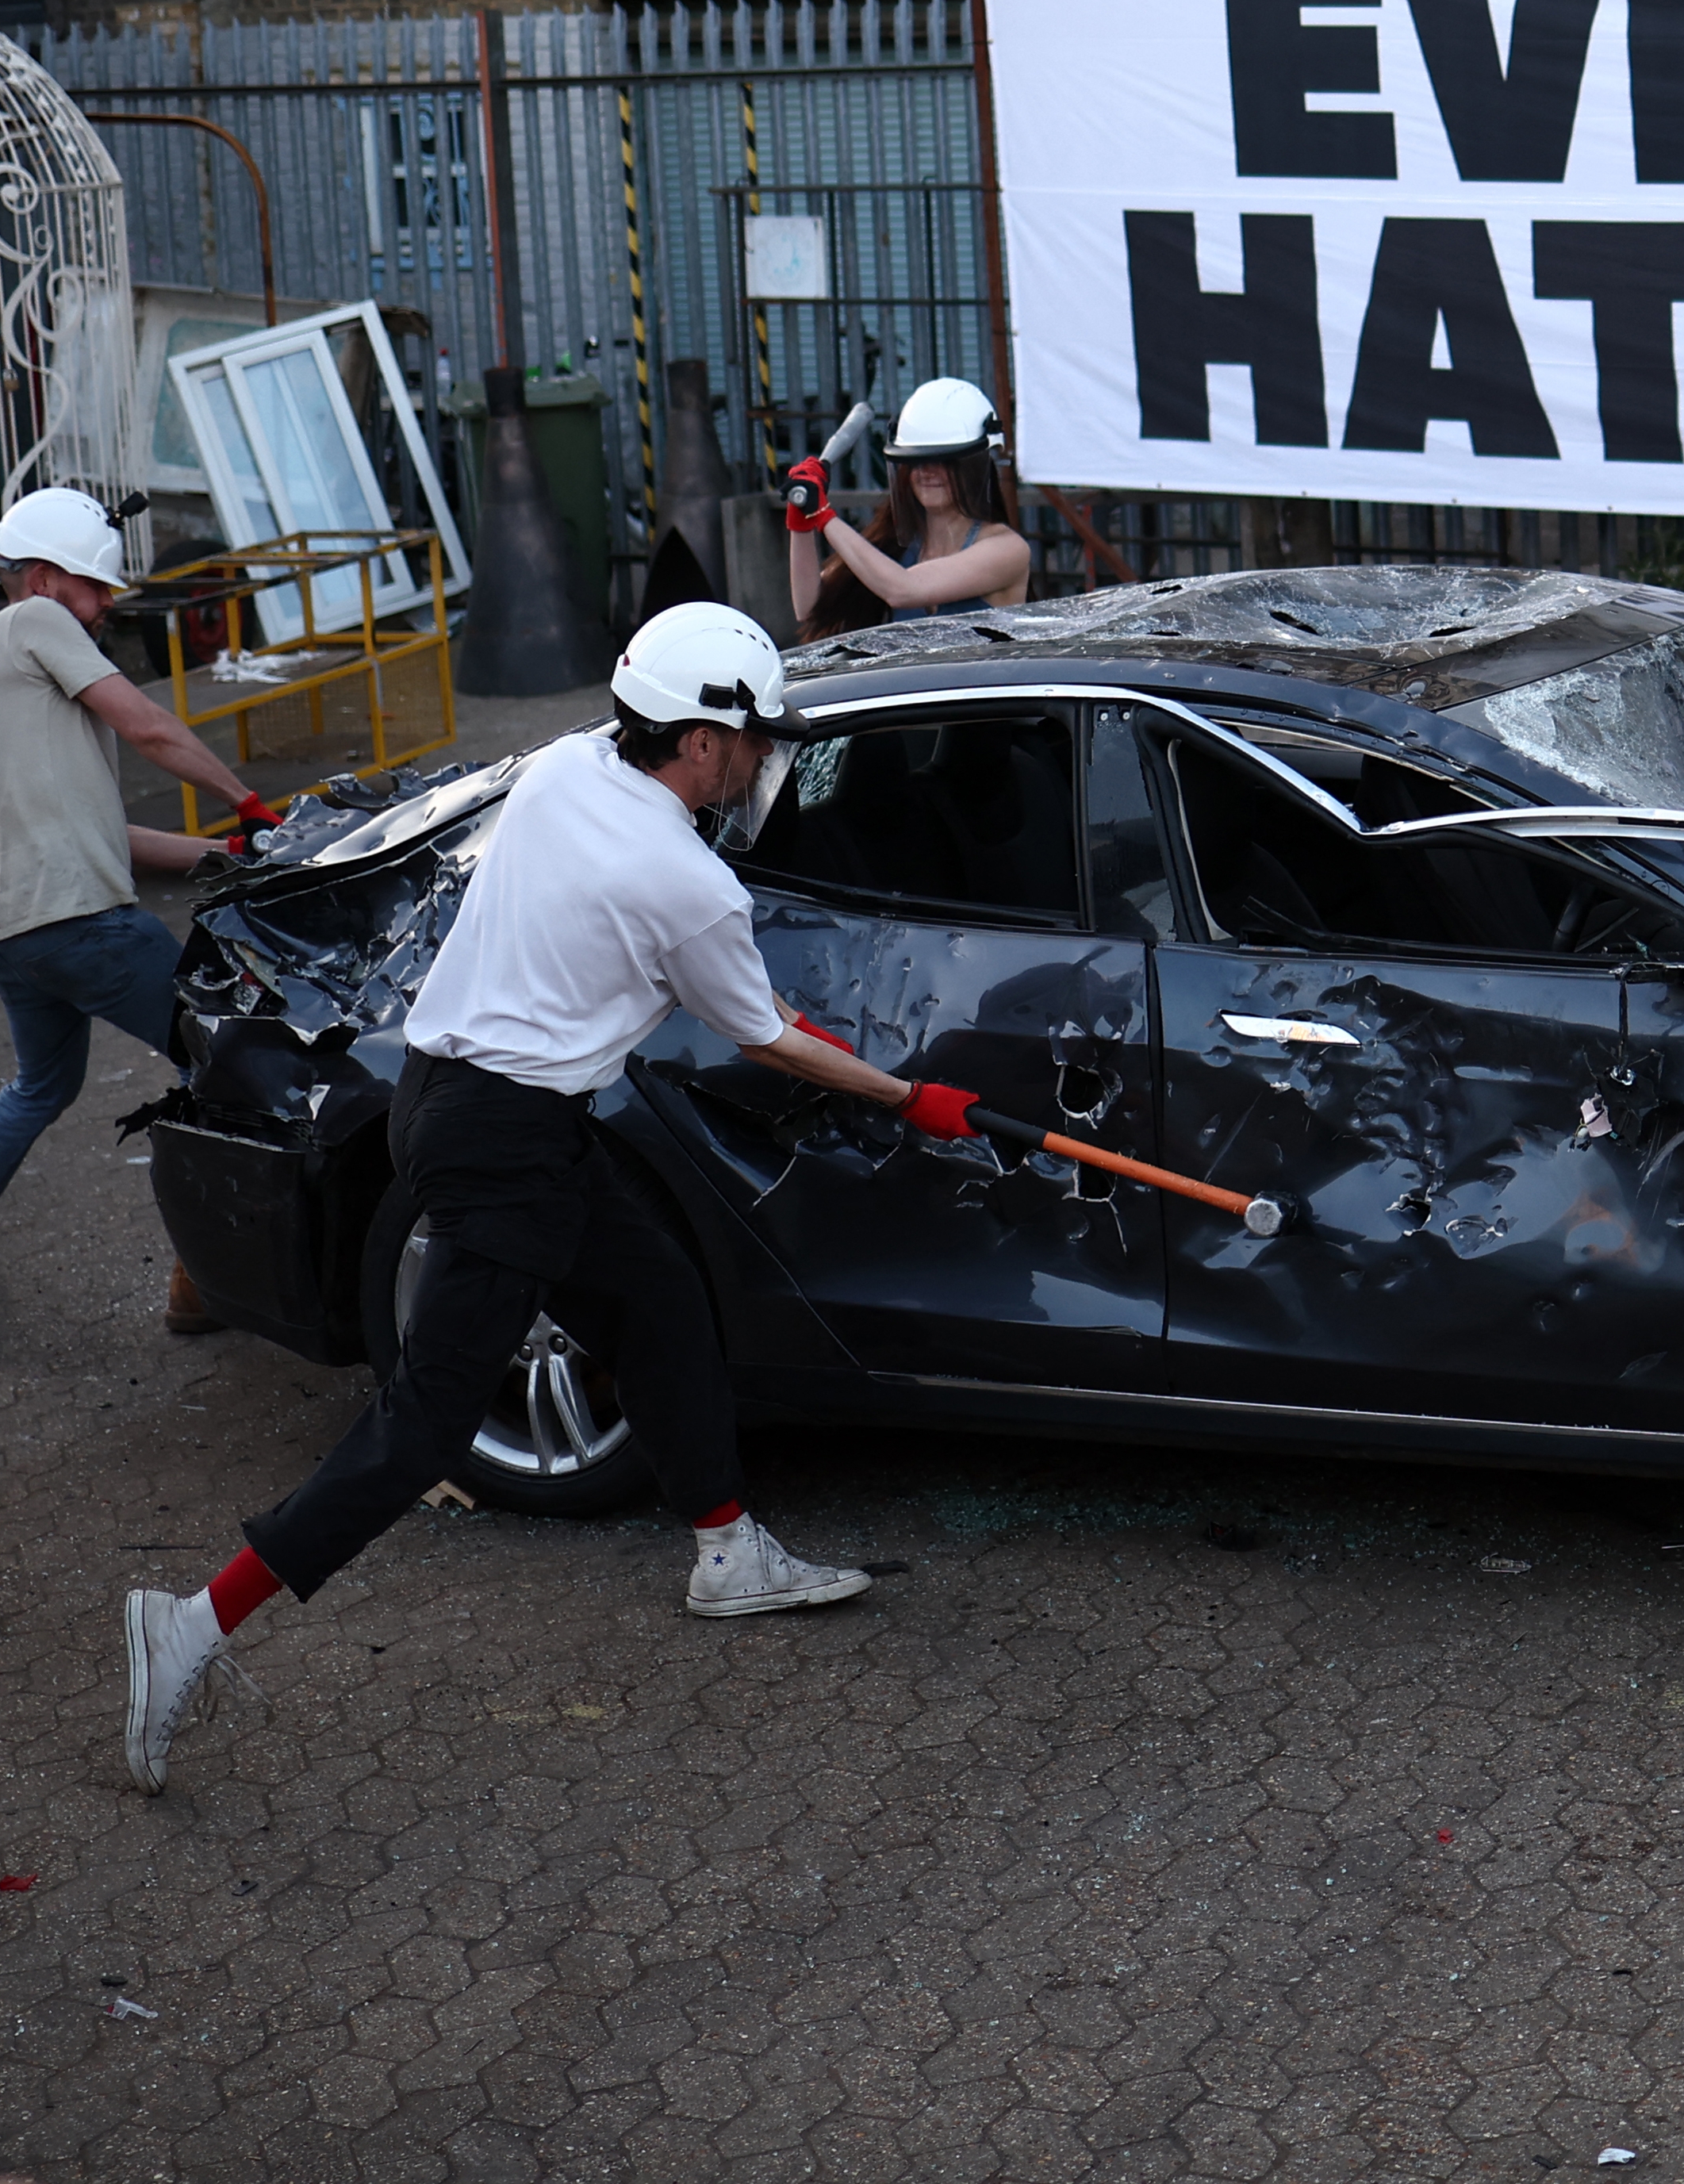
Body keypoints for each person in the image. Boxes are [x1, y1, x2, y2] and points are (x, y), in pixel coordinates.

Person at [119, 603, 988, 1793]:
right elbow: (771, 1039)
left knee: (662, 1301)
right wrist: (907, 1097)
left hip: (454, 1097)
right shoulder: (684, 879)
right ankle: (192, 1625)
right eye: (753, 740)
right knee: (421, 1426)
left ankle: (727, 1550)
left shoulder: (575, 763)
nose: (763, 761)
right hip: (504, 1147)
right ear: (697, 741)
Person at [0, 486, 278, 1330]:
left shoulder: (5, 684)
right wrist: (246, 801)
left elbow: (107, 833)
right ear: (47, 579)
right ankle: (208, 1278)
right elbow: (151, 729)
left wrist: (228, 856)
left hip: (15, 932)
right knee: (228, 1058)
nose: (105, 609)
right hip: (82, 924)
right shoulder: (33, 621)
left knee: (39, 1087)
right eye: (97, 590)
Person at [783, 375, 1030, 638]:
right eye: (916, 461)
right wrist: (801, 525)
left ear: (976, 467)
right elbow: (809, 607)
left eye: (944, 461)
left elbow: (903, 589)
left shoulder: (1008, 549)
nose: (927, 472)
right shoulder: (894, 546)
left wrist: (823, 515)